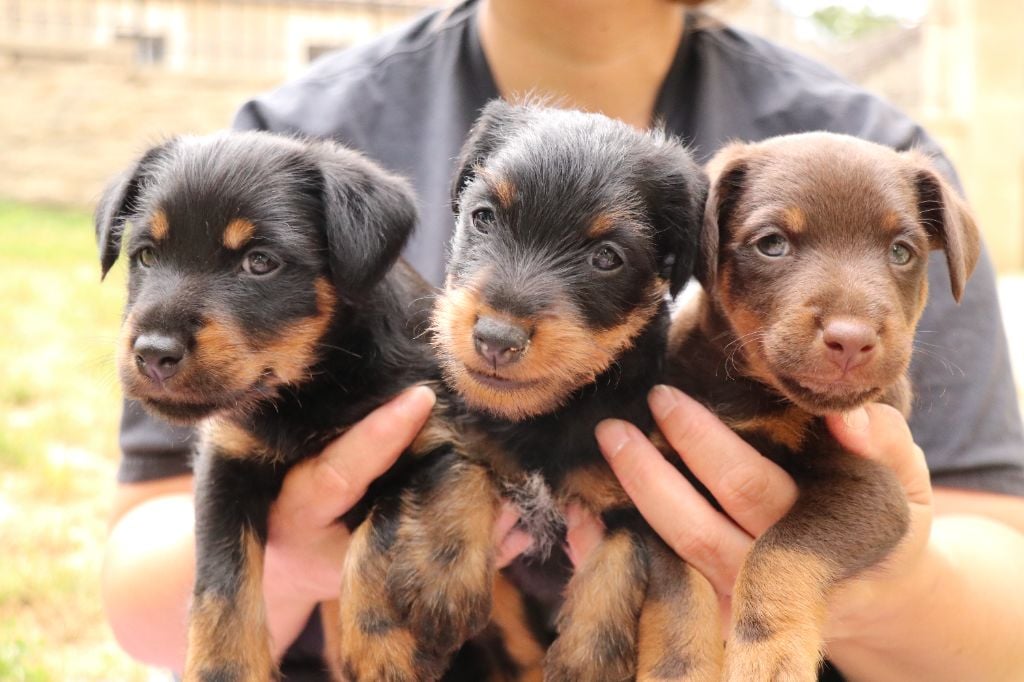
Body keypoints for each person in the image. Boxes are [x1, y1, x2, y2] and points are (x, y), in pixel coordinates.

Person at [102, 1, 1024, 680]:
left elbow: (1001, 603)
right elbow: (139, 586)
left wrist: (885, 593)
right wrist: (294, 556)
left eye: (605, 258)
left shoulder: (879, 153)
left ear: (684, 268)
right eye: (480, 222)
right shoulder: (282, 141)